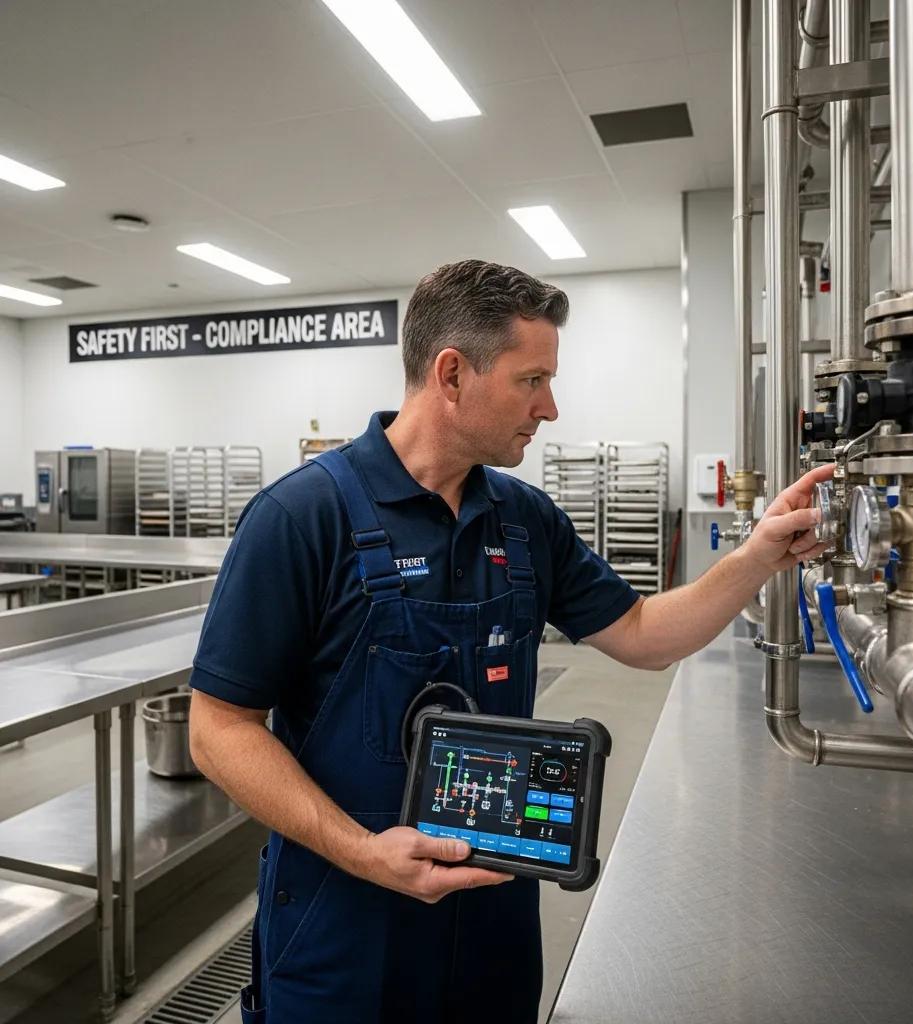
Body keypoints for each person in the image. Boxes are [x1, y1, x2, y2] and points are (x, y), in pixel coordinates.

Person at [188, 259, 832, 1023]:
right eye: (533, 381)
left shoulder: (525, 521)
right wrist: (364, 852)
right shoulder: (302, 518)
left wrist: (757, 556)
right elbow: (217, 730)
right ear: (452, 374)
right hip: (345, 920)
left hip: (492, 920)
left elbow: (642, 635)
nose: (550, 408)